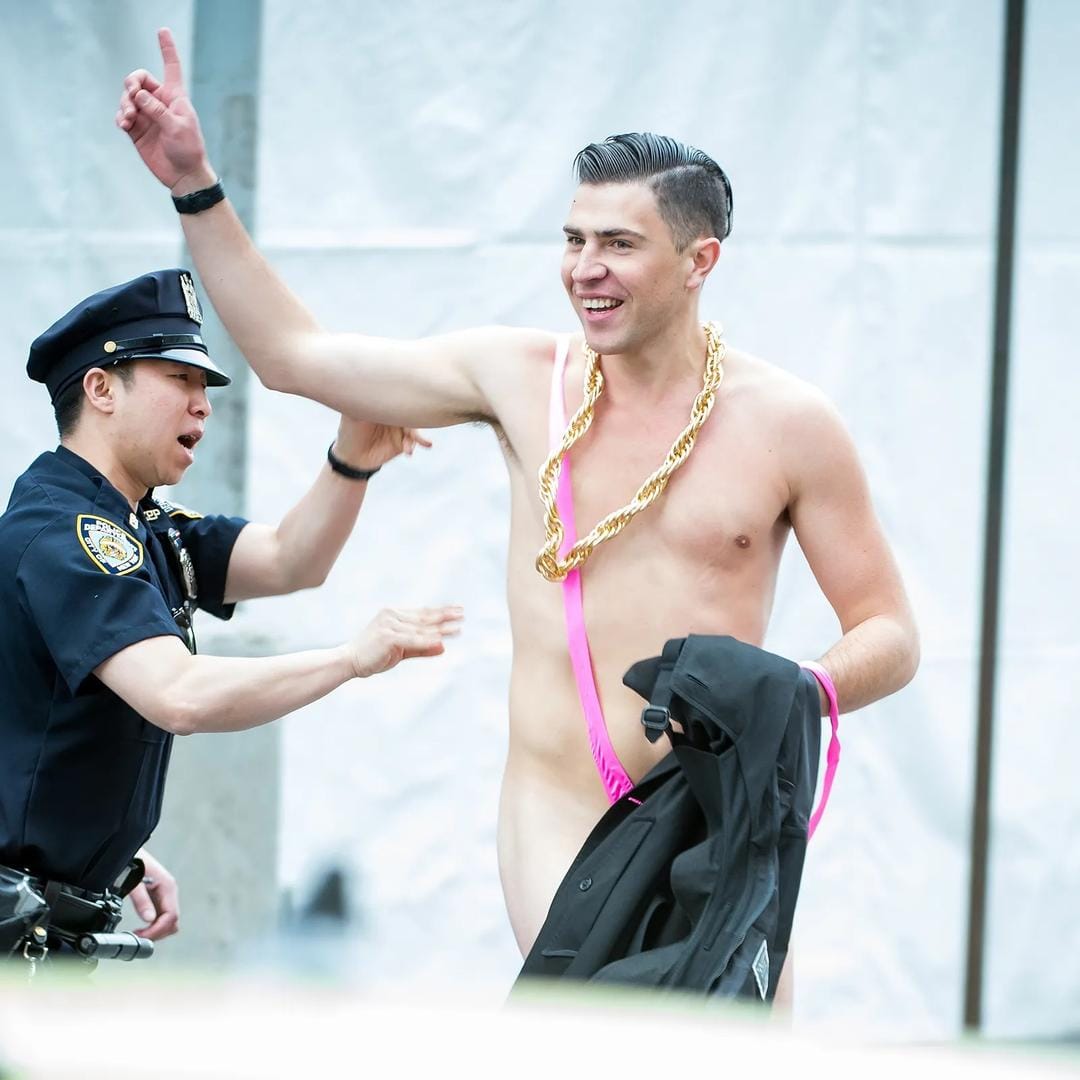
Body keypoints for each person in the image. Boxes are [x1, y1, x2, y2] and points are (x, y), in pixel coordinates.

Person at [116, 29, 919, 1004]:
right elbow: (292, 355)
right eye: (574, 240)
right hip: (561, 809)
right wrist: (194, 184)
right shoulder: (518, 378)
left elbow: (891, 634)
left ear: (701, 257)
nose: (586, 268)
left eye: (619, 244)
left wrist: (788, 686)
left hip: (719, 809)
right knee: (601, 1053)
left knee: (733, 1060)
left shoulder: (790, 424)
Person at [0, 267, 461, 970]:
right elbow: (178, 694)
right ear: (100, 389)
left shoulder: (139, 525)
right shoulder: (67, 533)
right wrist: (350, 658)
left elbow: (288, 560)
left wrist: (351, 461)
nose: (202, 406)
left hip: (48, 926)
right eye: (179, 379)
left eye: (205, 387)